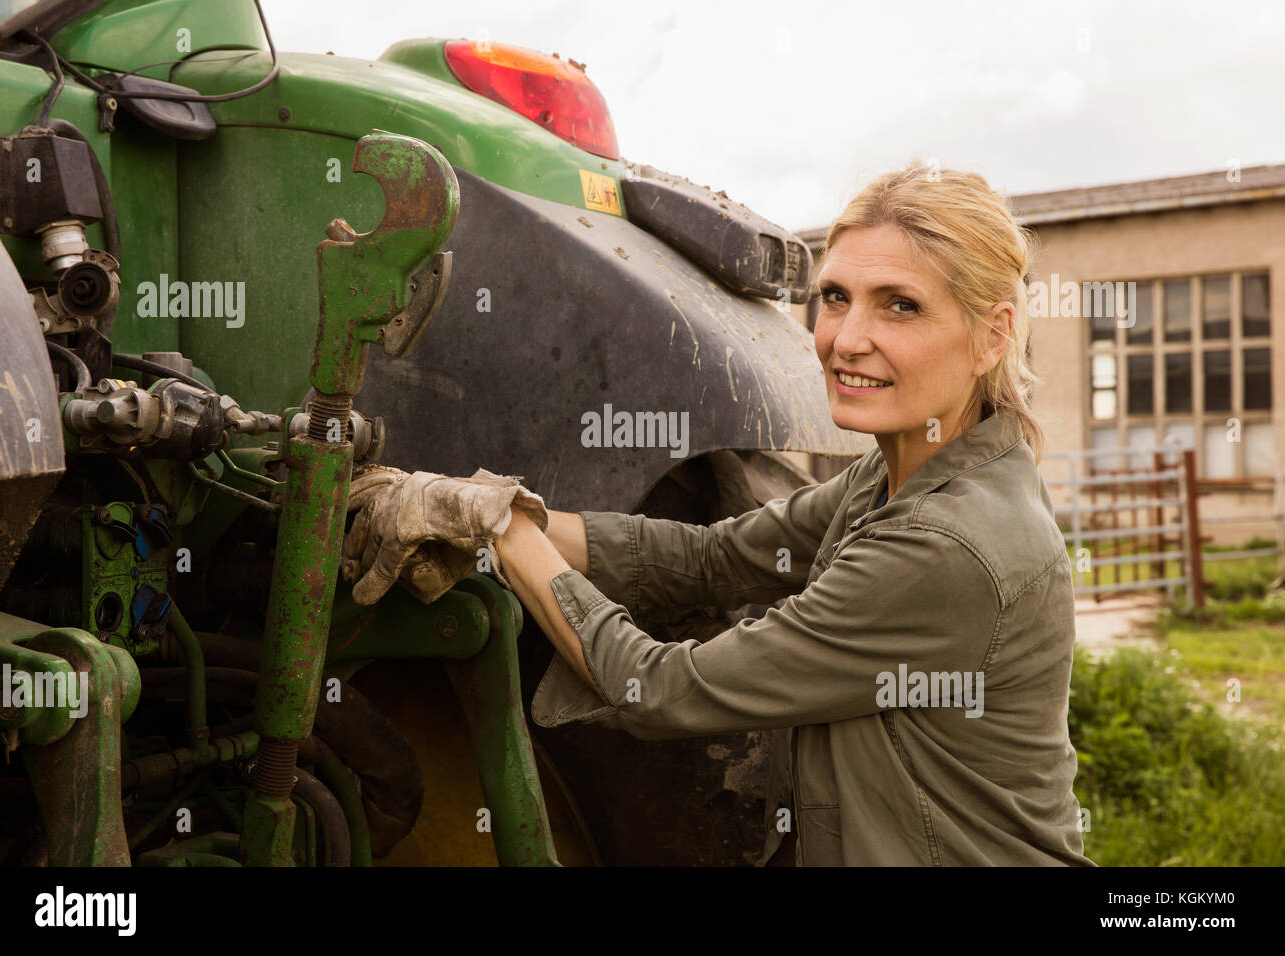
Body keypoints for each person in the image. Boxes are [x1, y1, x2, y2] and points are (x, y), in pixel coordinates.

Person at [370, 160, 1093, 866]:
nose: (845, 339)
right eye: (836, 298)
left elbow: (656, 688)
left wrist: (505, 533)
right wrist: (476, 501)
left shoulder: (946, 546)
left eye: (900, 305)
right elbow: (708, 558)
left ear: (993, 335)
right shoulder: (899, 475)